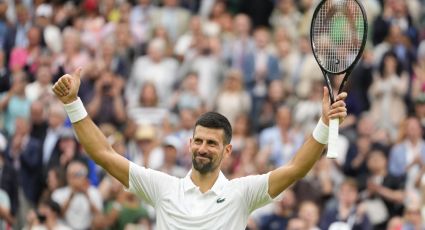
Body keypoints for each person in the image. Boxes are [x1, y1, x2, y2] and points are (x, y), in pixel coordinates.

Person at [51, 68, 348, 229]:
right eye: (199, 141)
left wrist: (324, 122)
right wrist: (72, 103)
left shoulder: (241, 193)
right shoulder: (163, 187)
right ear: (189, 143)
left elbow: (297, 168)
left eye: (212, 143)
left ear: (227, 151)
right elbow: (103, 154)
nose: (203, 148)